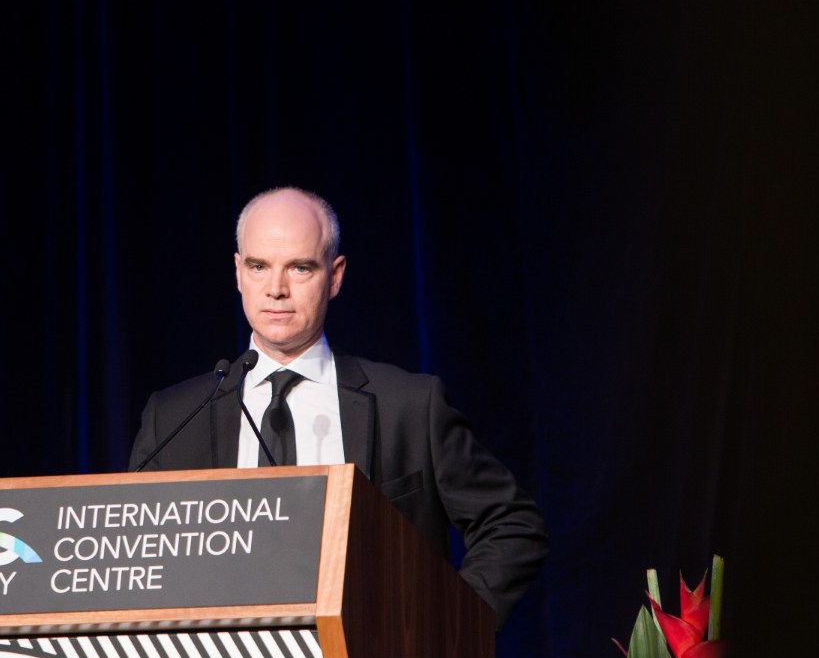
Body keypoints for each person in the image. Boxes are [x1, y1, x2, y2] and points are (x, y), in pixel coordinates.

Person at [128, 186, 547, 626]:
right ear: (238, 272)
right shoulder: (174, 418)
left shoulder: (409, 406)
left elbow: (512, 525)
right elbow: (136, 558)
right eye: (259, 266)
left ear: (335, 275)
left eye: (300, 268)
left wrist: (446, 630)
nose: (276, 289)